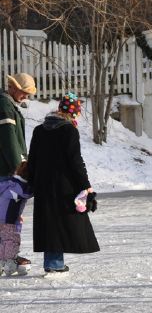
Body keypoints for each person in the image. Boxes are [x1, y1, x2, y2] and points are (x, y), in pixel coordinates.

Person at [27, 92, 99, 274]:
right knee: (60, 222)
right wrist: (85, 185)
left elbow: (33, 159)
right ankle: (54, 263)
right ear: (73, 113)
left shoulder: (39, 130)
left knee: (49, 222)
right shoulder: (68, 130)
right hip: (63, 185)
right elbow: (75, 161)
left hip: (43, 185)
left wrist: (32, 183)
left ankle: (53, 261)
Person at [1, 72, 37, 274]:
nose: (25, 96)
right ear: (13, 87)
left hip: (7, 172)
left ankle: (6, 257)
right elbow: (8, 140)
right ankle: (6, 258)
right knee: (8, 219)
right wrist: (20, 171)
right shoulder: (5, 105)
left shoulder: (8, 104)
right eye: (24, 92)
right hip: (7, 173)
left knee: (6, 218)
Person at [0, 161, 32, 275]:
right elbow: (27, 193)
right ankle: (9, 263)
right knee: (11, 241)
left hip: (3, 218)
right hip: (9, 221)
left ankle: (3, 262)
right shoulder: (20, 186)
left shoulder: (10, 182)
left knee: (4, 241)